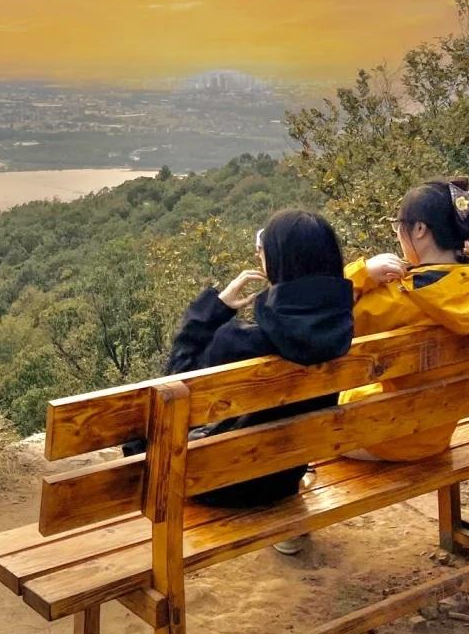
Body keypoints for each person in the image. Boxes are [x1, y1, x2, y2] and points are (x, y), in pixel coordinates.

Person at [148, 208, 354, 515]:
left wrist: (214, 309)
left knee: (142, 436)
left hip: (222, 483)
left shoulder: (239, 343)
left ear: (276, 262)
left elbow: (174, 384)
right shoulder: (348, 330)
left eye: (262, 249)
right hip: (286, 476)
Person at [340, 177, 469, 461]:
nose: (398, 234)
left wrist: (361, 273)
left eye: (399, 226)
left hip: (388, 438)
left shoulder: (396, 298)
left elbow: (328, 319)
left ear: (420, 229)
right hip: (439, 431)